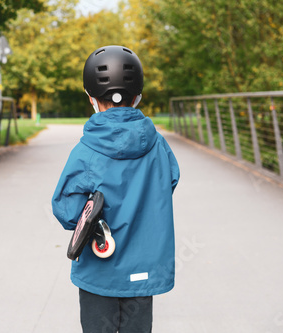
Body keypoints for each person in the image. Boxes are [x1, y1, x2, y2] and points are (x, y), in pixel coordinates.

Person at [52, 45, 180, 332]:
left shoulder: (86, 151)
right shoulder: (157, 143)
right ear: (138, 97)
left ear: (92, 99)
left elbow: (68, 212)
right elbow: (170, 179)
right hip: (142, 269)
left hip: (100, 273)